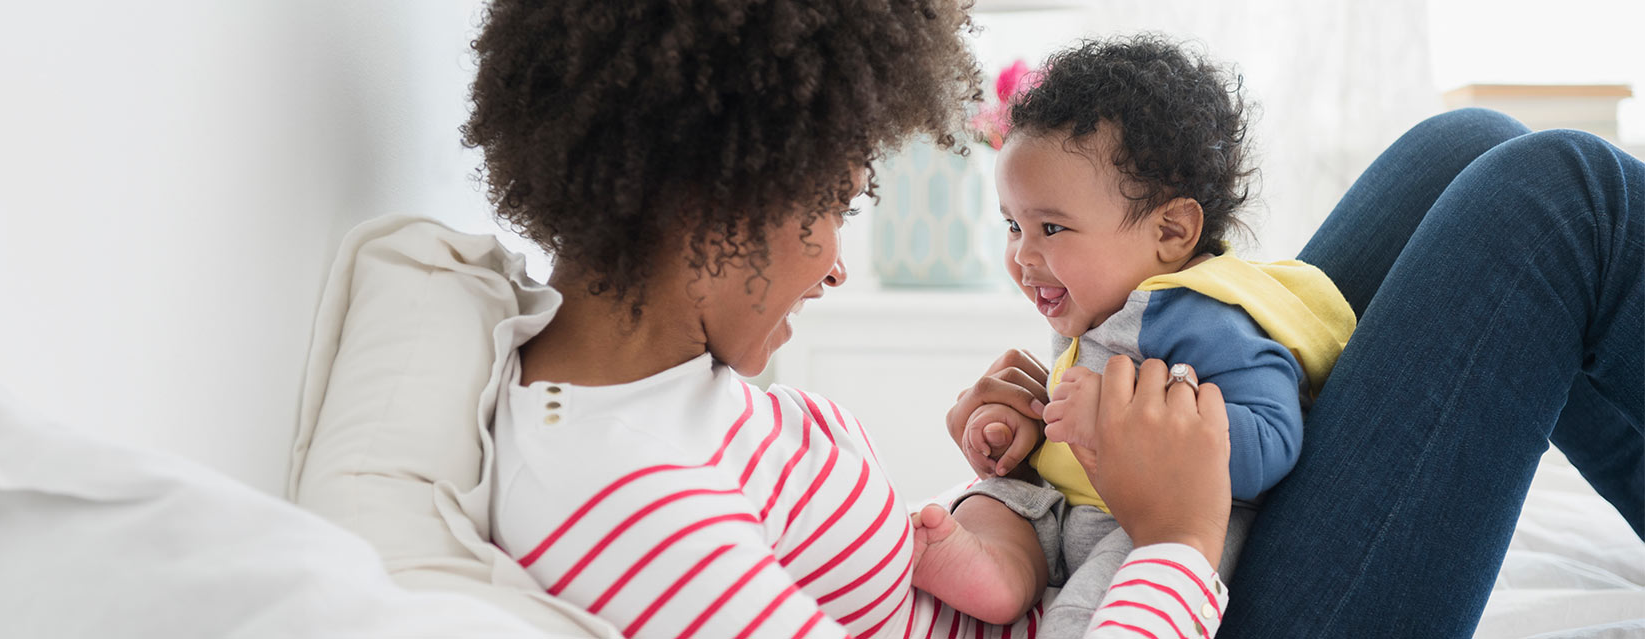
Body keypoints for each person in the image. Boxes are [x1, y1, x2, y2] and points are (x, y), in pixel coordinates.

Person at [464, 2, 1232, 637]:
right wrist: (1180, 539)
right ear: (714, 196)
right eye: (833, 202)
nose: (836, 267)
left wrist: (1018, 480)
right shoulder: (632, 505)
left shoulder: (652, 380)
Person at [911, 36, 1355, 636]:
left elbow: (1275, 440)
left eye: (1051, 227)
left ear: (1172, 230)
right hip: (1080, 507)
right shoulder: (1099, 303)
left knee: (1093, 597)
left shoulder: (1203, 316)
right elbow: (1077, 427)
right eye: (1013, 225)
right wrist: (1030, 430)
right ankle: (996, 570)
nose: (1022, 255)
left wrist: (1109, 421)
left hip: (1149, 527)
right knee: (998, 499)